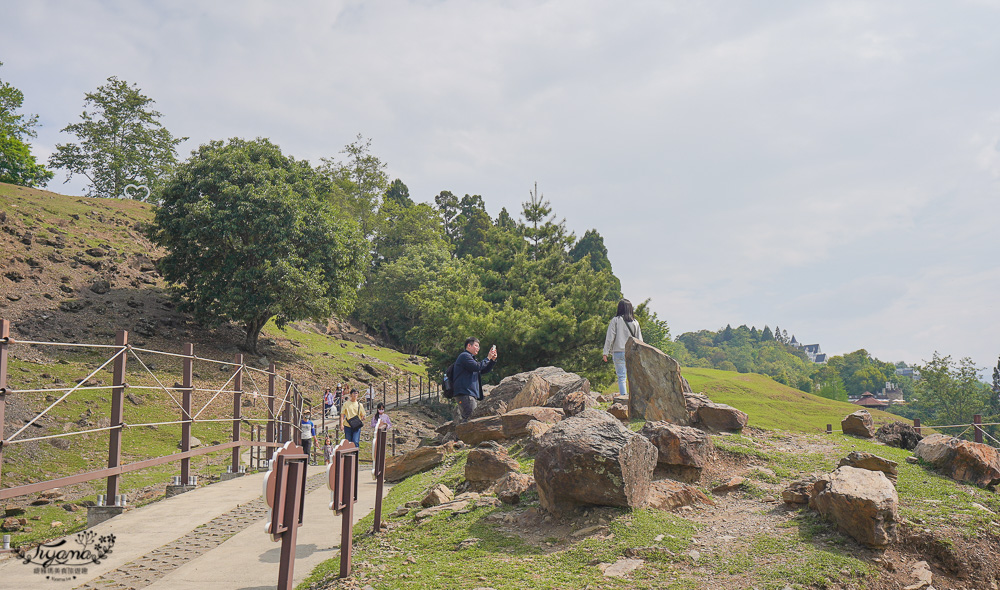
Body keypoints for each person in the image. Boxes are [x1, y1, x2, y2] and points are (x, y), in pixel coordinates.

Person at [602, 298, 643, 397]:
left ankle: (623, 397)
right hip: (632, 353)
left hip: (618, 352)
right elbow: (640, 340)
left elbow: (610, 337)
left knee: (621, 377)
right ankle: (635, 398)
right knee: (633, 377)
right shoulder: (635, 322)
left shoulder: (615, 320)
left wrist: (605, 352)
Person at [452, 337, 497, 423]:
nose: (478, 348)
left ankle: (461, 436)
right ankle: (462, 436)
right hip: (466, 393)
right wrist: (488, 358)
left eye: (478, 346)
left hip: (469, 393)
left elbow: (482, 370)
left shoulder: (470, 358)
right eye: (476, 346)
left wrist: (492, 361)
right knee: (471, 419)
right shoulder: (464, 356)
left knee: (468, 419)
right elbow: (477, 367)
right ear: (469, 345)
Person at [370, 402, 392, 473]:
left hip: (384, 433)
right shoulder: (375, 416)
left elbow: (389, 424)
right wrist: (378, 424)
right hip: (377, 433)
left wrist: (386, 425)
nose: (381, 410)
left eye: (382, 409)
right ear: (377, 409)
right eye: (380, 409)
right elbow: (372, 424)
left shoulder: (386, 416)